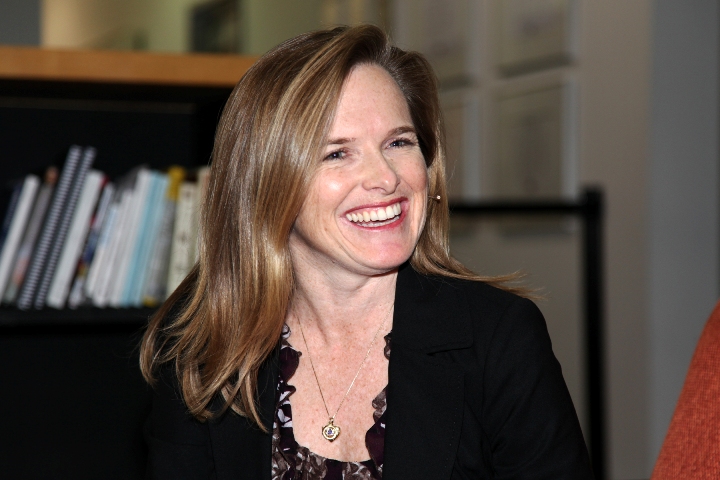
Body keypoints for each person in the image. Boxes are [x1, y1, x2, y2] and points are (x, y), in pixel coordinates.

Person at [140, 24, 593, 479]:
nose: (386, 178)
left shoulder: (500, 338)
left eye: (399, 142)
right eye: (337, 153)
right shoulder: (200, 350)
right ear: (266, 185)